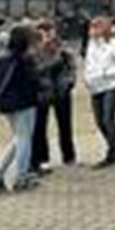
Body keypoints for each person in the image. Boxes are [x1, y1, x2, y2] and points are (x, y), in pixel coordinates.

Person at [0, 23, 42, 193]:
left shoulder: (1, 58)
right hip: (23, 102)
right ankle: (21, 177)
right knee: (25, 139)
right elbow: (33, 81)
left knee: (19, 138)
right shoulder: (24, 59)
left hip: (5, 103)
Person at [84, 16, 115, 169]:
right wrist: (88, 77)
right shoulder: (91, 44)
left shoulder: (114, 44)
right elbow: (89, 63)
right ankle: (114, 148)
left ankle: (112, 152)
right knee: (99, 121)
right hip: (95, 86)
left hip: (111, 85)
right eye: (91, 27)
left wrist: (107, 73)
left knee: (108, 119)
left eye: (96, 27)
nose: (92, 31)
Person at [30, 19, 77, 174]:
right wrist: (45, 49)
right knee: (40, 127)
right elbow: (36, 70)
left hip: (61, 92)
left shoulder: (62, 48)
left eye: (50, 30)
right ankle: (43, 158)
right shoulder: (33, 51)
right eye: (44, 31)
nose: (48, 34)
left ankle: (69, 155)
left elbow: (72, 66)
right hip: (42, 93)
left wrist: (69, 82)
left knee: (65, 125)